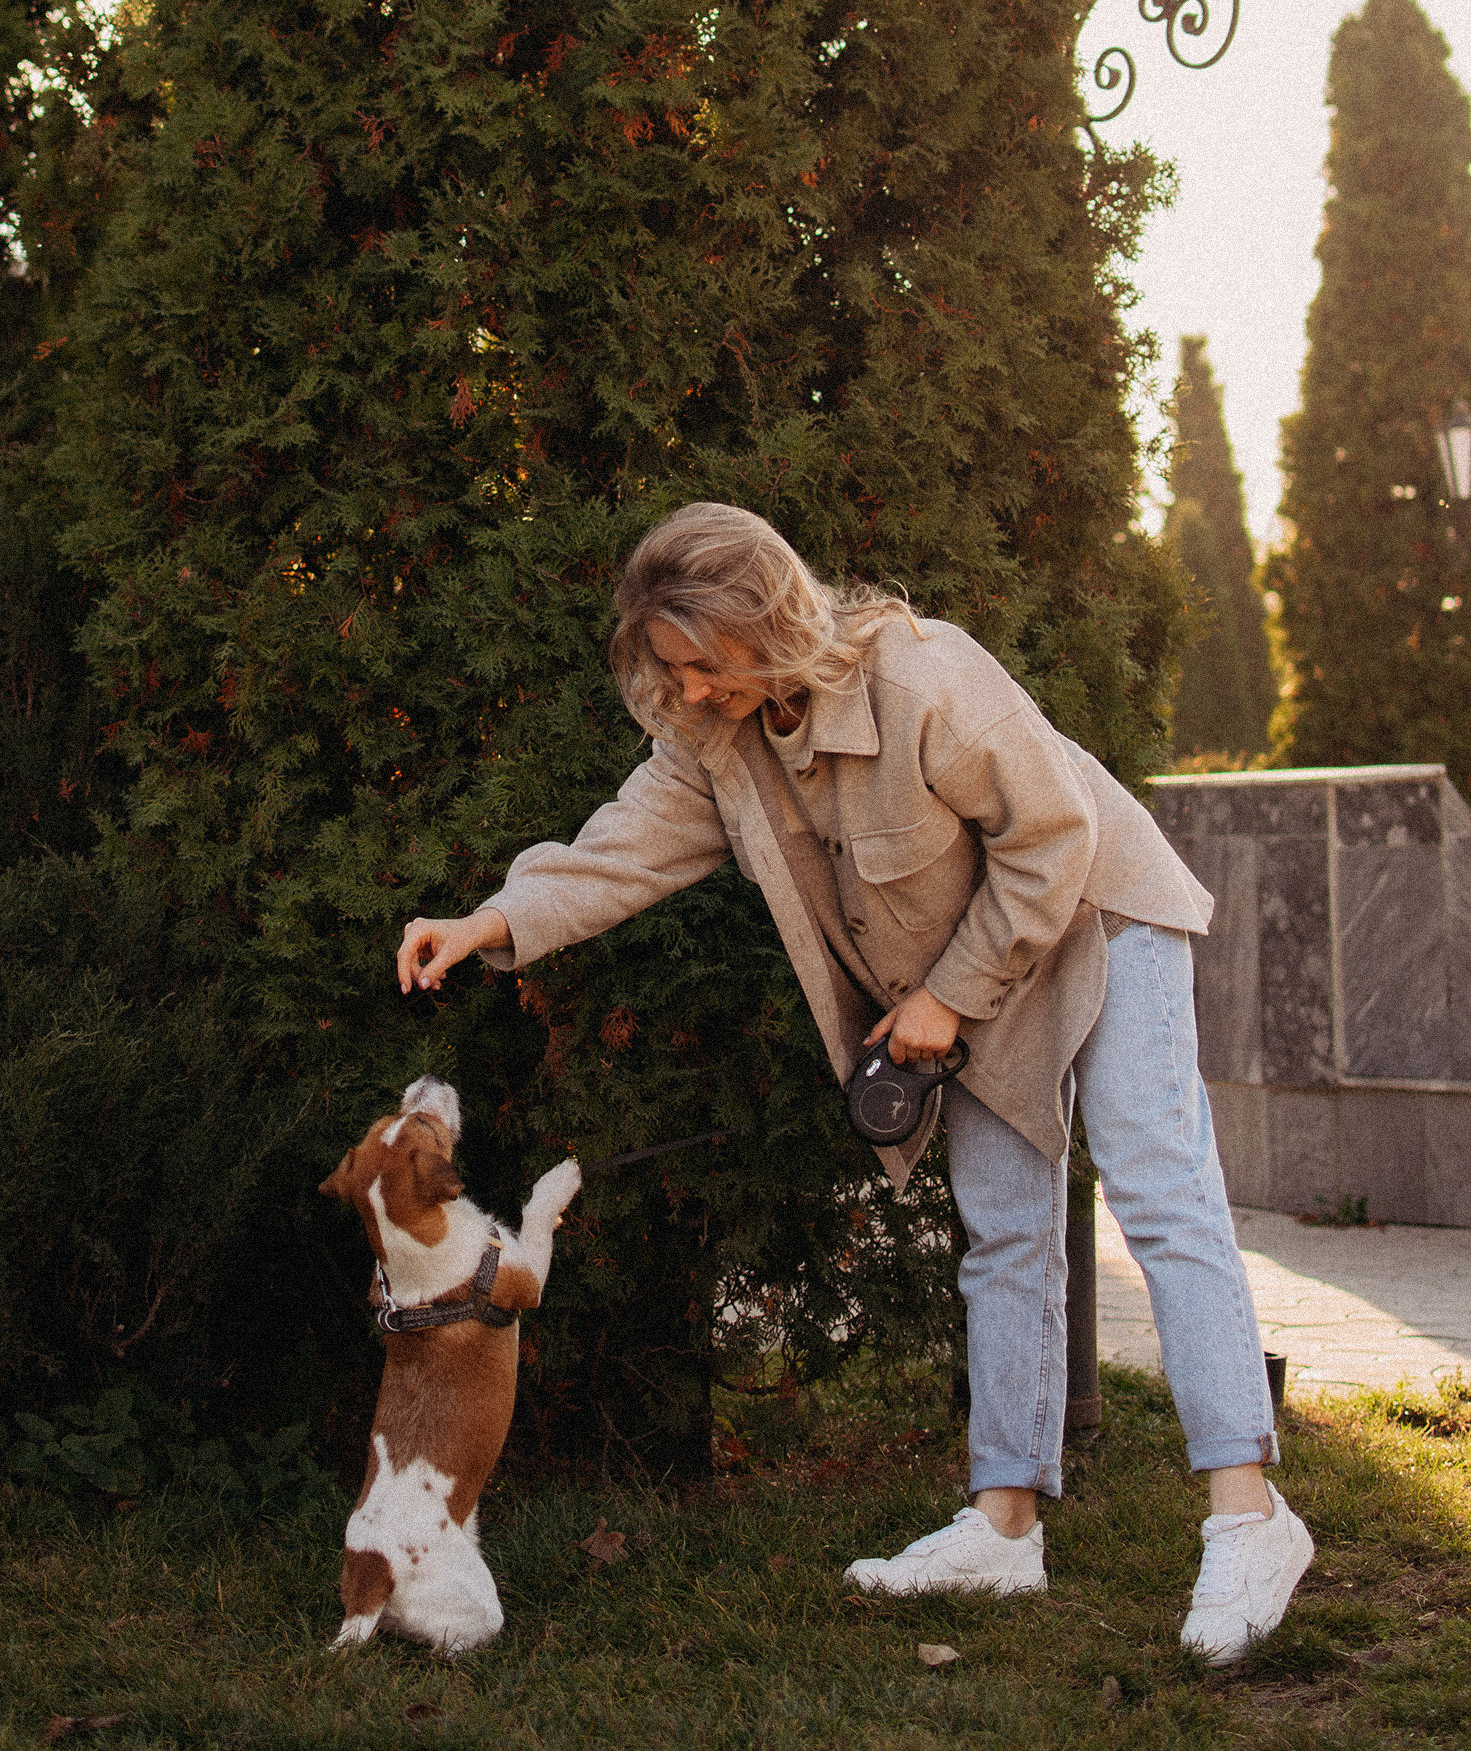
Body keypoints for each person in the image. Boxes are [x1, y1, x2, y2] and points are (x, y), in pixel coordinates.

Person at [394, 502, 1314, 1663]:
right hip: (968, 977)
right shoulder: (716, 742)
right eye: (664, 670)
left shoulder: (926, 680)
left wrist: (943, 998)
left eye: (698, 664)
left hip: (1095, 916)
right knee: (1001, 1234)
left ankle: (1248, 1518)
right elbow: (621, 847)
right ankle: (1003, 1525)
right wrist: (488, 921)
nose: (681, 692)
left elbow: (1055, 834)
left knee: (1159, 1191)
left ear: (762, 623)